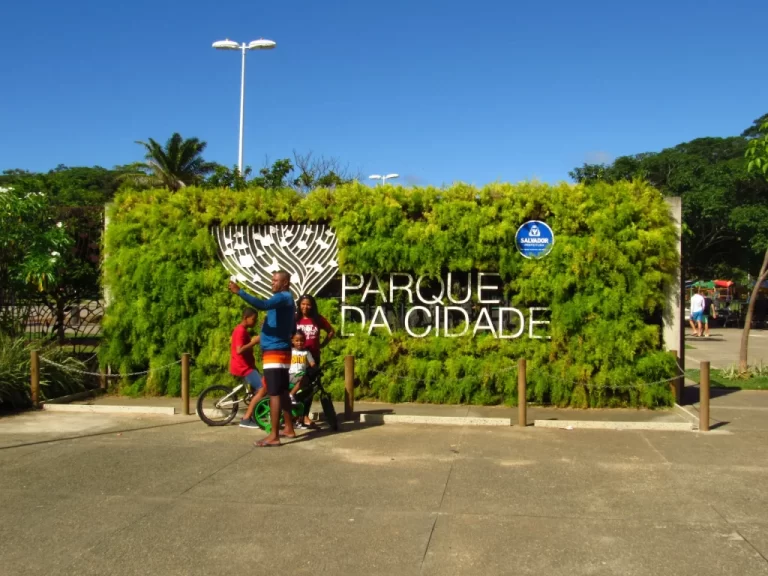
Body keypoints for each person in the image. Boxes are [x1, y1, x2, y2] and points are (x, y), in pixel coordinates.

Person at [229, 271, 295, 447]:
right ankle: (289, 428)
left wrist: (239, 291)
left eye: (276, 280)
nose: (272, 283)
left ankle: (274, 436)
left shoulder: (283, 297)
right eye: (272, 280)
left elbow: (262, 305)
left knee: (274, 392)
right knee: (282, 391)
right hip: (280, 350)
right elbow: (292, 326)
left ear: (285, 283)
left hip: (275, 352)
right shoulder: (286, 299)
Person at [294, 294, 335, 427]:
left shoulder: (317, 319)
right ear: (299, 305)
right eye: (303, 304)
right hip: (297, 358)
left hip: (313, 358)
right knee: (296, 386)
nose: (305, 307)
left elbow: (331, 331)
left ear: (312, 306)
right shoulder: (295, 318)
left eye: (308, 304)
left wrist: (322, 345)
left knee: (310, 388)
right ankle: (295, 414)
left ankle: (305, 415)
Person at [230, 308, 268, 428]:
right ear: (245, 318)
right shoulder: (240, 331)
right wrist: (254, 342)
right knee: (263, 388)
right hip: (243, 367)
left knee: (258, 387)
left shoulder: (242, 330)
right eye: (253, 319)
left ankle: (252, 413)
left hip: (247, 365)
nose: (254, 322)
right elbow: (239, 350)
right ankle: (246, 419)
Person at [288, 331, 316, 416]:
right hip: (291, 374)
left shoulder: (306, 352)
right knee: (304, 378)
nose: (299, 343)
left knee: (306, 381)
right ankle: (291, 395)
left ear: (305, 341)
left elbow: (312, 363)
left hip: (301, 375)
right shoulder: (290, 351)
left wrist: (314, 367)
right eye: (297, 341)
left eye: (302, 341)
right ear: (292, 341)